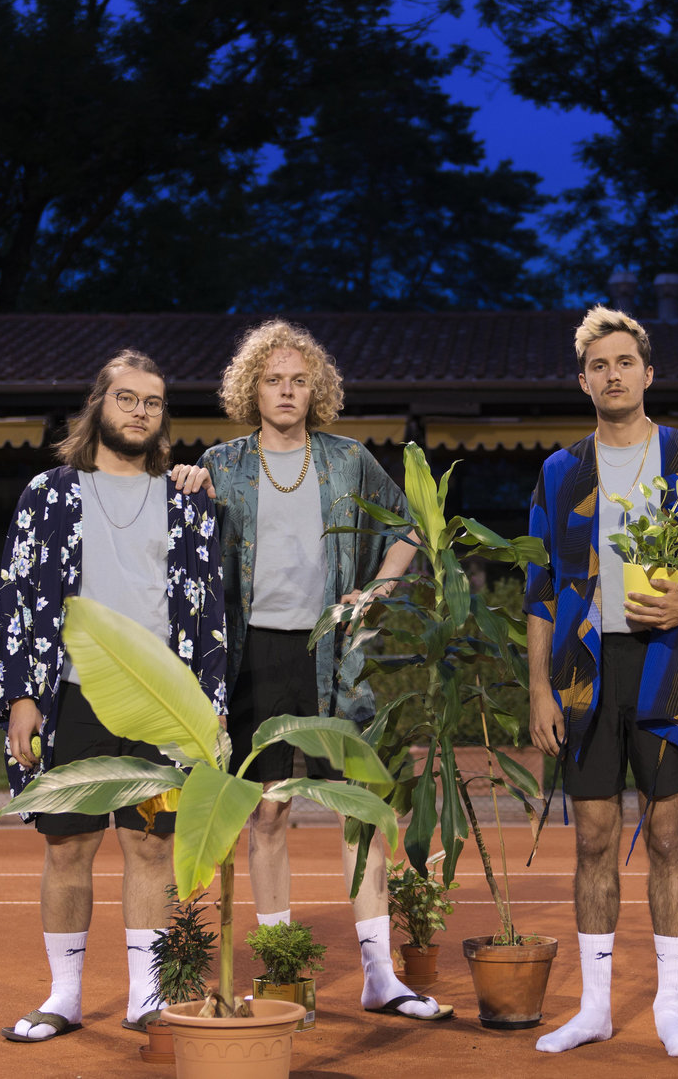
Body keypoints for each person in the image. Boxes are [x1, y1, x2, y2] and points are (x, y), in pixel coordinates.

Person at [173, 318, 451, 1021]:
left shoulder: (348, 459)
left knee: (361, 810)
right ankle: (279, 968)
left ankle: (380, 975)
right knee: (267, 812)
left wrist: (378, 589)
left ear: (316, 389)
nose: (287, 391)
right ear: (253, 388)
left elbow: (412, 521)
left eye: (299, 380)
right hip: (253, 657)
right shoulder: (222, 463)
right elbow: (180, 543)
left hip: (335, 651)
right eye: (273, 380)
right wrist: (186, 487)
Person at [524, 305, 678, 1056]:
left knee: (666, 834)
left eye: (625, 362)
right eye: (599, 366)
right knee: (593, 838)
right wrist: (538, 688)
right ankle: (593, 1008)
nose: (612, 375)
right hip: (582, 677)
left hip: (666, 666)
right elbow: (540, 591)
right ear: (583, 381)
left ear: (648, 373)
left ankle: (669, 1008)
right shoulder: (560, 473)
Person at [0, 350, 227, 1043]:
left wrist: (208, 703)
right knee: (68, 847)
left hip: (163, 702)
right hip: (73, 695)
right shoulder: (49, 493)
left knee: (150, 848)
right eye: (127, 398)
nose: (140, 411)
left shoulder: (186, 500)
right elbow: (15, 597)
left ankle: (146, 997)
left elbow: (211, 608)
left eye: (152, 402)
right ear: (99, 403)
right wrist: (22, 696)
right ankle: (63, 998)